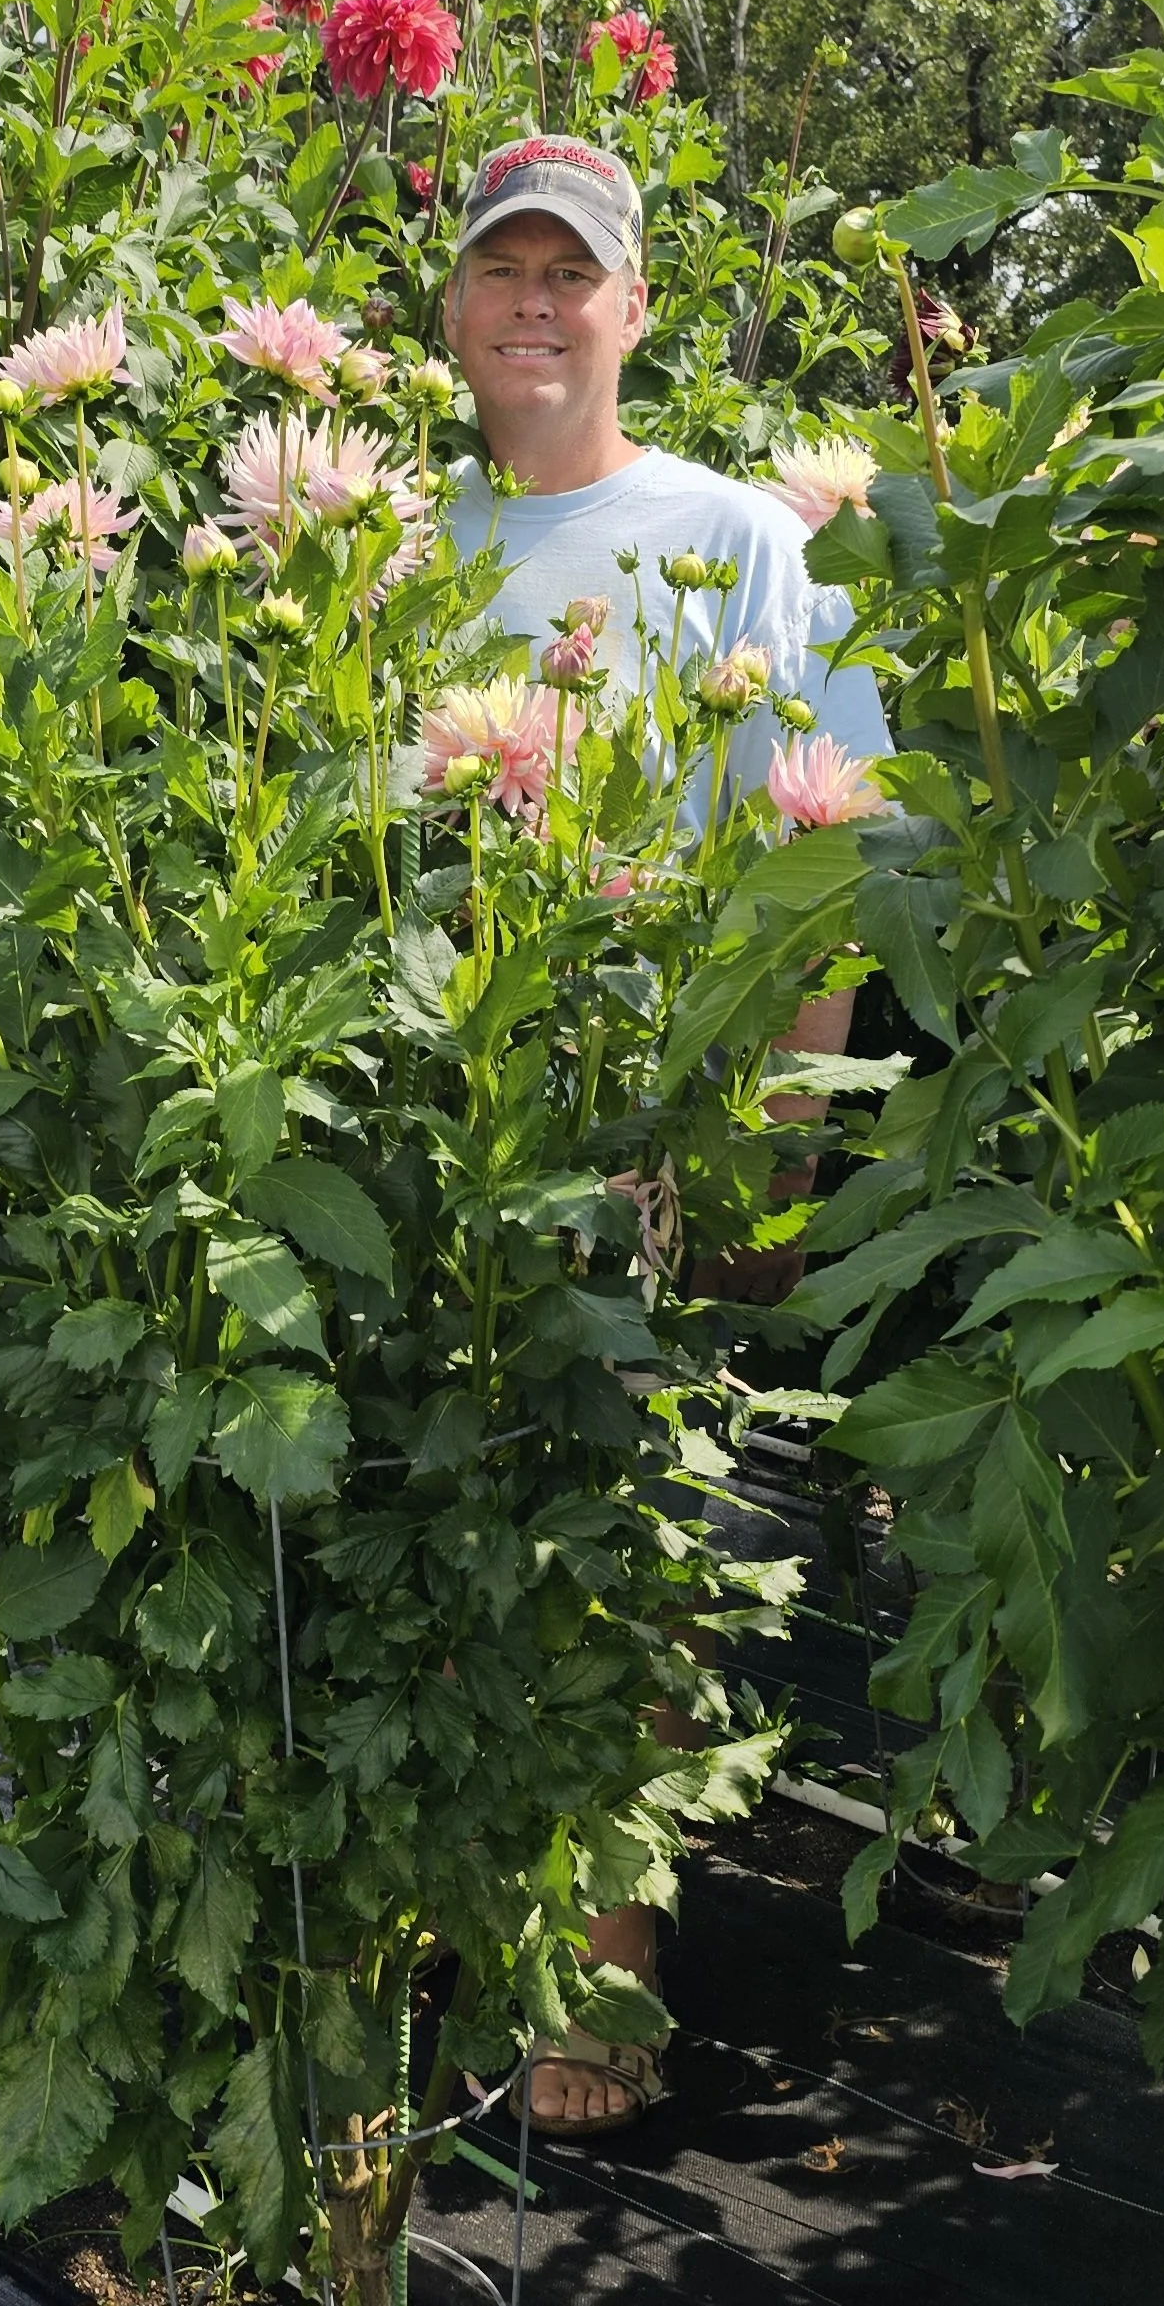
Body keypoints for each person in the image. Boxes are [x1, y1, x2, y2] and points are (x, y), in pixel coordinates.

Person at [437, 133, 891, 2138]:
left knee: (613, 1557)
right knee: (439, 1517)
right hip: (431, 1110)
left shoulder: (732, 537)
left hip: (638, 1111)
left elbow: (831, 859)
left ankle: (606, 1969)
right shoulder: (392, 545)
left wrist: (774, 1147)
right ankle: (454, 1901)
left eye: (572, 274)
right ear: (450, 311)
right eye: (499, 270)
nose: (535, 302)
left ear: (630, 311)